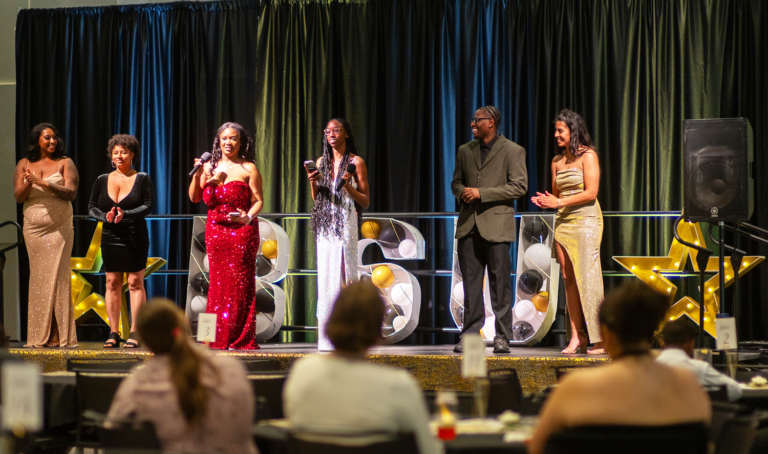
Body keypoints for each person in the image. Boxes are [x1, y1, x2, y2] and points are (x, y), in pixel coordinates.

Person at [528, 281, 711, 454]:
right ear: (653, 329)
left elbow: (536, 449)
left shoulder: (576, 387)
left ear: (606, 333)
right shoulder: (688, 384)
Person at [283, 282, 441, 454]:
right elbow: (428, 449)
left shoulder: (302, 372)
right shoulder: (396, 384)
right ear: (377, 327)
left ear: (333, 318)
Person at [107, 299, 257, 454]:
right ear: (182, 325)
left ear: (145, 342)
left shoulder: (138, 381)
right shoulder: (231, 368)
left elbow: (111, 431)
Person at [450, 106, 528, 354]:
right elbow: (456, 182)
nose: (472, 124)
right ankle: (470, 337)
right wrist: (462, 192)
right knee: (471, 286)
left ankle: (502, 336)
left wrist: (481, 193)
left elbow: (519, 187)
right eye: (473, 120)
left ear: (491, 122)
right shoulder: (465, 150)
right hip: (469, 226)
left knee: (500, 285)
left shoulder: (513, 150)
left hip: (497, 226)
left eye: (477, 120)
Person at [531, 109, 604, 354]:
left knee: (589, 276)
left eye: (560, 130)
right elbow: (557, 194)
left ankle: (601, 337)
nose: (556, 135)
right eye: (556, 131)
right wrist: (547, 201)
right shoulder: (556, 161)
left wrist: (559, 202)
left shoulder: (588, 156)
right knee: (567, 277)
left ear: (573, 130)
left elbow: (591, 193)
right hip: (563, 221)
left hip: (586, 220)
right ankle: (577, 335)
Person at [189, 122, 264, 350]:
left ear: (241, 142)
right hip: (216, 232)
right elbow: (194, 197)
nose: (228, 142)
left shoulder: (248, 168)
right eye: (224, 138)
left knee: (240, 286)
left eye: (233, 138)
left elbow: (258, 200)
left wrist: (247, 217)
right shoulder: (209, 167)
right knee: (215, 286)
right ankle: (209, 338)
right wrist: (199, 173)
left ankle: (238, 339)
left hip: (242, 232)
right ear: (218, 141)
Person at [305, 118, 370, 351]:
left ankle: (349, 333)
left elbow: (366, 201)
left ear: (346, 134)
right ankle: (327, 336)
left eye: (336, 130)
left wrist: (348, 186)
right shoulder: (321, 162)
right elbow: (317, 199)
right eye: (328, 131)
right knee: (327, 275)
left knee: (345, 272)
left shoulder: (356, 162)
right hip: (326, 222)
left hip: (346, 220)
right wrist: (313, 183)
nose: (331, 134)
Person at [14, 123, 79, 348]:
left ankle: (59, 334)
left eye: (54, 137)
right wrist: (29, 182)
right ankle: (41, 334)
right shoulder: (24, 164)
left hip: (59, 227)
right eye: (47, 138)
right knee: (40, 278)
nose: (52, 141)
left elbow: (71, 193)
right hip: (34, 229)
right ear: (37, 141)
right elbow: (19, 197)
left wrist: (44, 183)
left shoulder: (65, 162)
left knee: (59, 278)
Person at [89, 135, 153, 348]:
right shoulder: (102, 179)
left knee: (135, 283)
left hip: (135, 236)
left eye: (124, 152)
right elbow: (91, 207)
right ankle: (113, 332)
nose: (119, 155)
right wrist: (104, 217)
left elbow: (148, 206)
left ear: (132, 155)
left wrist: (126, 214)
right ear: (111, 156)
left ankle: (136, 332)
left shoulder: (142, 178)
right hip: (110, 236)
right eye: (115, 152)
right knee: (111, 283)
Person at [657, 318, 742, 401]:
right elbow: (735, 390)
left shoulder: (649, 367)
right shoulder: (700, 368)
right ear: (691, 343)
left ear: (662, 342)